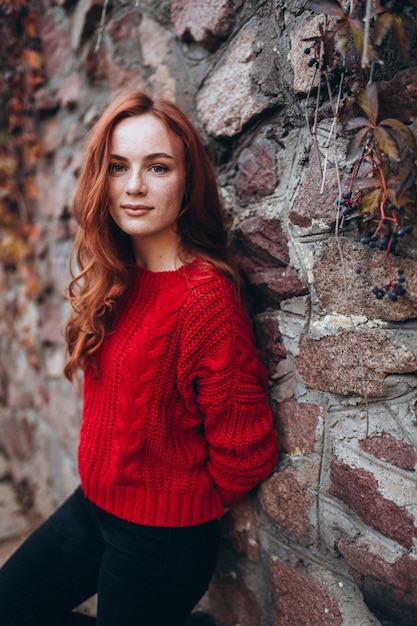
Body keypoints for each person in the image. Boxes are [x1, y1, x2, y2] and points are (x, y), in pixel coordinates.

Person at [0, 92, 278, 626]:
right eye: (118, 167)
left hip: (161, 540)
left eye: (157, 167)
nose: (133, 187)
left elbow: (247, 451)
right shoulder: (118, 274)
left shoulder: (205, 299)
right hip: (92, 509)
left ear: (187, 181)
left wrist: (177, 504)